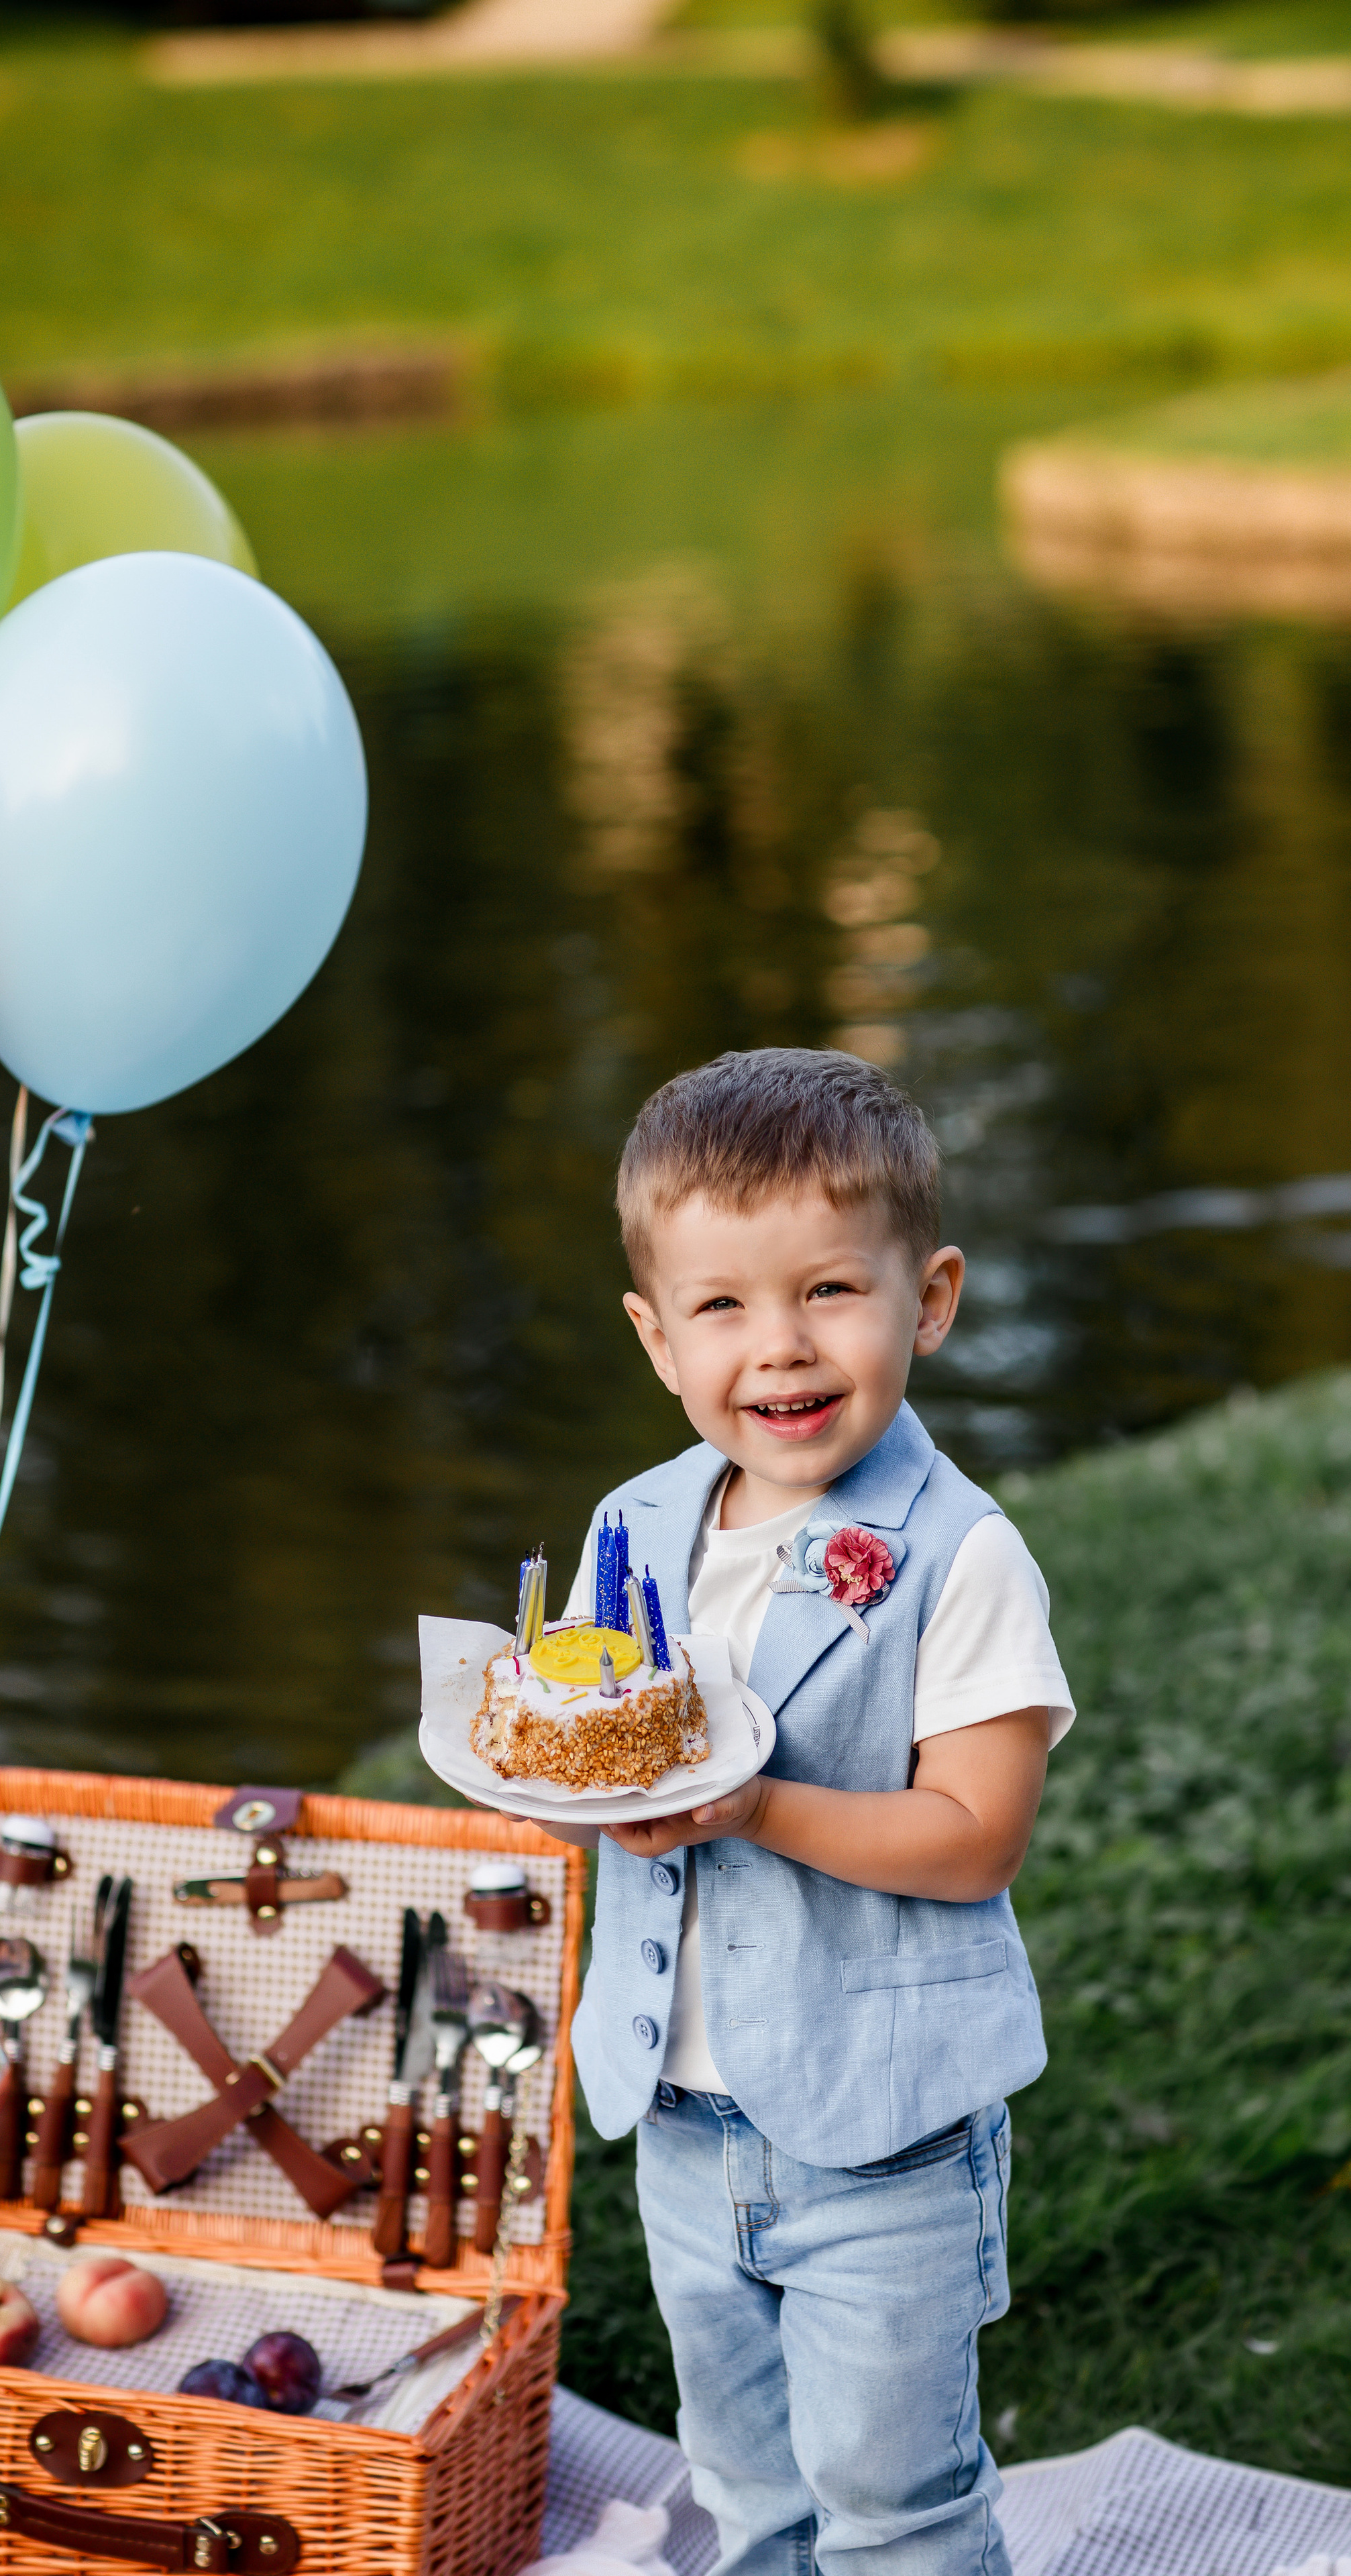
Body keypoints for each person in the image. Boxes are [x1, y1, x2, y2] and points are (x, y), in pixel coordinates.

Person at [562, 1048, 1074, 2576]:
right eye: (722, 1306)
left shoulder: (956, 1555)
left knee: (890, 2503)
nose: (777, 1350)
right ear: (657, 1339)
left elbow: (975, 1831)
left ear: (927, 1299)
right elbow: (605, 1747)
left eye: (827, 1293)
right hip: (679, 2115)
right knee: (746, 2494)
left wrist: (755, 1807)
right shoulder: (635, 1527)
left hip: (883, 2131)